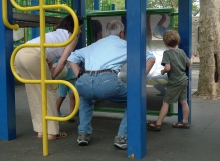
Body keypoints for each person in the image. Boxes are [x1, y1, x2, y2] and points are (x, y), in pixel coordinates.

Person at [67, 20, 156, 150]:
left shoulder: (94, 45)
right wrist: (140, 80)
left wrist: (79, 76)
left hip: (84, 81)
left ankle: (83, 134)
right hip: (107, 81)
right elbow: (151, 58)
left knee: (86, 99)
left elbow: (72, 58)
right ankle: (122, 137)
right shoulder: (126, 45)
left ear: (106, 32)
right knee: (134, 99)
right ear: (121, 33)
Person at [15, 14, 84, 139]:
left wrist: (51, 74)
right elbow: (63, 61)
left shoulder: (55, 34)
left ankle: (41, 130)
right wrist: (53, 77)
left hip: (20, 53)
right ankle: (52, 132)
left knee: (34, 93)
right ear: (75, 26)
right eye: (80, 27)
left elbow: (48, 58)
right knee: (48, 91)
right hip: (34, 55)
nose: (80, 30)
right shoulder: (72, 36)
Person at [147, 30, 194, 131]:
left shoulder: (167, 53)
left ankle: (158, 123)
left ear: (165, 42)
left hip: (174, 82)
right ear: (177, 41)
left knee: (166, 102)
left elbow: (168, 68)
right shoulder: (181, 52)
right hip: (183, 80)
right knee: (184, 101)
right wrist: (192, 58)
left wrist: (163, 71)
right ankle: (185, 121)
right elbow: (189, 64)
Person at [52, 58, 76, 122]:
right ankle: (56, 111)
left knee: (72, 96)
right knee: (62, 95)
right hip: (62, 79)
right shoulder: (58, 56)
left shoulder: (72, 55)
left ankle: (72, 114)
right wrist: (55, 77)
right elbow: (54, 66)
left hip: (72, 77)